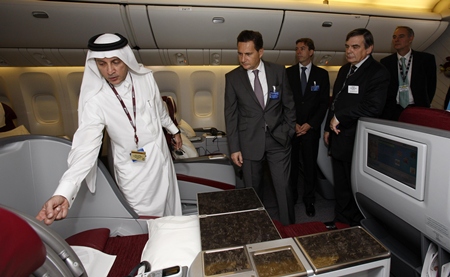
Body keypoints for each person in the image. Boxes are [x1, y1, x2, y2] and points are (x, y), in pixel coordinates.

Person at [36, 33, 182, 225]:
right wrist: (64, 191)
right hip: (132, 168)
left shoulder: (145, 78)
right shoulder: (95, 99)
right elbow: (85, 147)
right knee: (144, 220)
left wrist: (174, 130)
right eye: (102, 64)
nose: (110, 70)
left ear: (126, 59)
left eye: (115, 62)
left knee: (170, 210)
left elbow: (159, 110)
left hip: (159, 155)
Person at [224, 30, 296, 225]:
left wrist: (289, 131)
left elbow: (289, 104)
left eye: (248, 54)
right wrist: (234, 147)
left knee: (283, 188)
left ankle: (289, 228)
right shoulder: (232, 78)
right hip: (249, 142)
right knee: (252, 191)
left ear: (261, 52)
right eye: (240, 53)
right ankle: (257, 227)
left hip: (278, 138)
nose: (243, 59)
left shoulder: (278, 71)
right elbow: (230, 115)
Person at [324, 28, 389, 226]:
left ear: (369, 49)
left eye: (355, 47)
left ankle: (357, 225)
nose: (349, 51)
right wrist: (328, 126)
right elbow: (336, 101)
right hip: (339, 137)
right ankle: (341, 221)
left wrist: (340, 117)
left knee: (355, 187)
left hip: (359, 140)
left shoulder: (378, 73)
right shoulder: (345, 69)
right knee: (341, 185)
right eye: (347, 47)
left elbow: (373, 107)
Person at [286, 38, 330, 217]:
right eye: (297, 49)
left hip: (311, 128)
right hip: (293, 127)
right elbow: (286, 101)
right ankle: (292, 197)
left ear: (311, 52)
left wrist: (310, 124)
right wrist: (293, 123)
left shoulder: (321, 75)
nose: (299, 52)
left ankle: (309, 200)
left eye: (302, 49)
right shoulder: (288, 73)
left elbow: (323, 103)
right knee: (292, 166)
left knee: (310, 167)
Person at [381, 26, 437, 120]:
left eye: (401, 36)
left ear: (411, 38)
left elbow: (431, 85)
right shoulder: (386, 62)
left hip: (418, 108)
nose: (396, 40)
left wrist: (425, 104)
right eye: (394, 37)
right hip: (393, 110)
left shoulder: (426, 59)